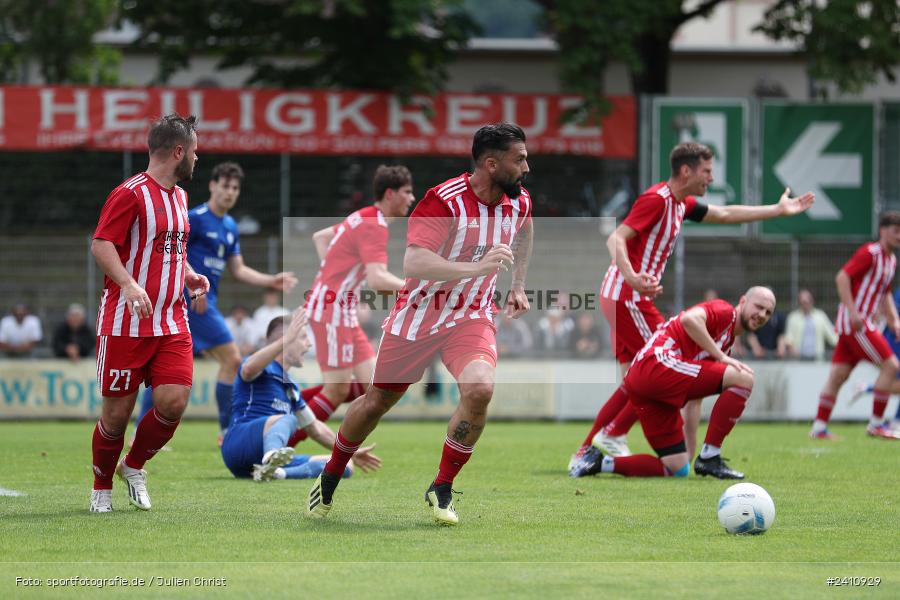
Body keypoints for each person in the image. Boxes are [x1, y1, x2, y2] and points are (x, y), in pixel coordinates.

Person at [307, 123, 533, 526]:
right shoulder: (442, 201)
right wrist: (476, 267)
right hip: (417, 317)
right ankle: (332, 470)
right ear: (491, 163)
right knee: (376, 401)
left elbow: (526, 229)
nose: (526, 168)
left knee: (480, 389)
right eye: (520, 159)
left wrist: (517, 285)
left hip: (471, 316)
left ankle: (441, 487)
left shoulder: (519, 202)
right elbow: (414, 263)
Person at [570, 142, 814, 470]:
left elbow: (725, 214)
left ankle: (588, 451)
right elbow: (615, 238)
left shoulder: (681, 203)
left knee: (634, 382)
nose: (711, 179)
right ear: (686, 171)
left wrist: (776, 210)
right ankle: (610, 437)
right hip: (628, 297)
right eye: (707, 171)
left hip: (627, 297)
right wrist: (634, 277)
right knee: (658, 368)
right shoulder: (657, 199)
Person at [89, 113, 210, 513]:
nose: (198, 156)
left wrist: (190, 275)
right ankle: (101, 488)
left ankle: (134, 465)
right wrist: (127, 283)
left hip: (172, 320)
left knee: (173, 402)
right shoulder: (130, 193)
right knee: (116, 416)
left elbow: (169, 249)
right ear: (179, 151)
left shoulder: (179, 196)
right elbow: (102, 245)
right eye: (194, 150)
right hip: (125, 323)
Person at [134, 162, 298, 444]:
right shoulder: (195, 218)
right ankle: (226, 430)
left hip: (204, 302)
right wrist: (191, 286)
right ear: (213, 185)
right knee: (232, 359)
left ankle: (141, 433)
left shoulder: (230, 226)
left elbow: (238, 269)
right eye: (225, 186)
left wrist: (271, 281)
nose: (229, 192)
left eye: (235, 188)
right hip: (192, 300)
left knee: (165, 369)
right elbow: (173, 252)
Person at [571, 287, 776, 480]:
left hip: (646, 382)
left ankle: (598, 462)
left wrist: (691, 451)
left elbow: (694, 401)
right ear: (743, 301)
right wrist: (721, 357)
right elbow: (689, 319)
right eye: (759, 307)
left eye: (768, 312)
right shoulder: (725, 312)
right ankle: (711, 455)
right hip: (657, 363)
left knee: (678, 467)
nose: (762, 314)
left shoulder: (726, 340)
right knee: (745, 377)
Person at [293, 165, 414, 442]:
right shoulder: (375, 225)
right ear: (390, 193)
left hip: (341, 310)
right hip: (331, 312)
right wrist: (416, 290)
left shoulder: (363, 216)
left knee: (371, 387)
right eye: (407, 192)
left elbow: (320, 237)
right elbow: (378, 279)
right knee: (336, 390)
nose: (411, 198)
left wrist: (335, 275)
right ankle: (278, 444)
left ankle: (290, 407)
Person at [221, 310, 381, 481]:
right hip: (238, 445)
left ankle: (278, 473)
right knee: (288, 419)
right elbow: (247, 370)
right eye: (303, 337)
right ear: (286, 339)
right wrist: (286, 339)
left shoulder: (291, 386)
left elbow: (314, 428)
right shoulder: (261, 365)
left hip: (258, 461)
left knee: (344, 464)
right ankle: (271, 456)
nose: (309, 344)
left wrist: (351, 452)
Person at [810, 212, 900, 440]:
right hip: (857, 325)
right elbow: (842, 277)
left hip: (859, 324)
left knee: (838, 375)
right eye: (895, 230)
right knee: (891, 366)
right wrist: (853, 312)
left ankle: (819, 428)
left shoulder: (891, 260)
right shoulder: (870, 253)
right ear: (883, 230)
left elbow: (885, 293)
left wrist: (894, 320)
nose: (899, 235)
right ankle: (877, 425)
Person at [784, 289, 837, 360]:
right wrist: (792, 349)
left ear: (812, 301)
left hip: (817, 359)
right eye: (803, 302)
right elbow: (788, 338)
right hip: (798, 360)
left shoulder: (820, 316)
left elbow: (832, 336)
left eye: (807, 301)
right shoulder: (793, 317)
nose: (805, 304)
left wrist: (844, 345)